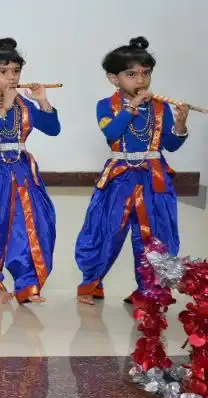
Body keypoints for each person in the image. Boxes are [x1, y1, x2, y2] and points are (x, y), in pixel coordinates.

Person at [75, 37, 189, 305]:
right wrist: (133, 106)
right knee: (107, 229)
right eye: (131, 74)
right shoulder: (105, 105)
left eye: (146, 74)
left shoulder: (160, 107)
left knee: (156, 234)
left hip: (154, 177)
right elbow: (112, 133)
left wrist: (180, 126)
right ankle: (91, 283)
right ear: (113, 78)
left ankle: (149, 291)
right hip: (119, 178)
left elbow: (170, 145)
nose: (140, 80)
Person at [0, 38, 60, 305]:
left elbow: (53, 129)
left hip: (22, 169)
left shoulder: (24, 103)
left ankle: (27, 285)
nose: (12, 77)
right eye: (3, 71)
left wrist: (42, 101)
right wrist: (3, 107)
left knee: (33, 222)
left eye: (16, 71)